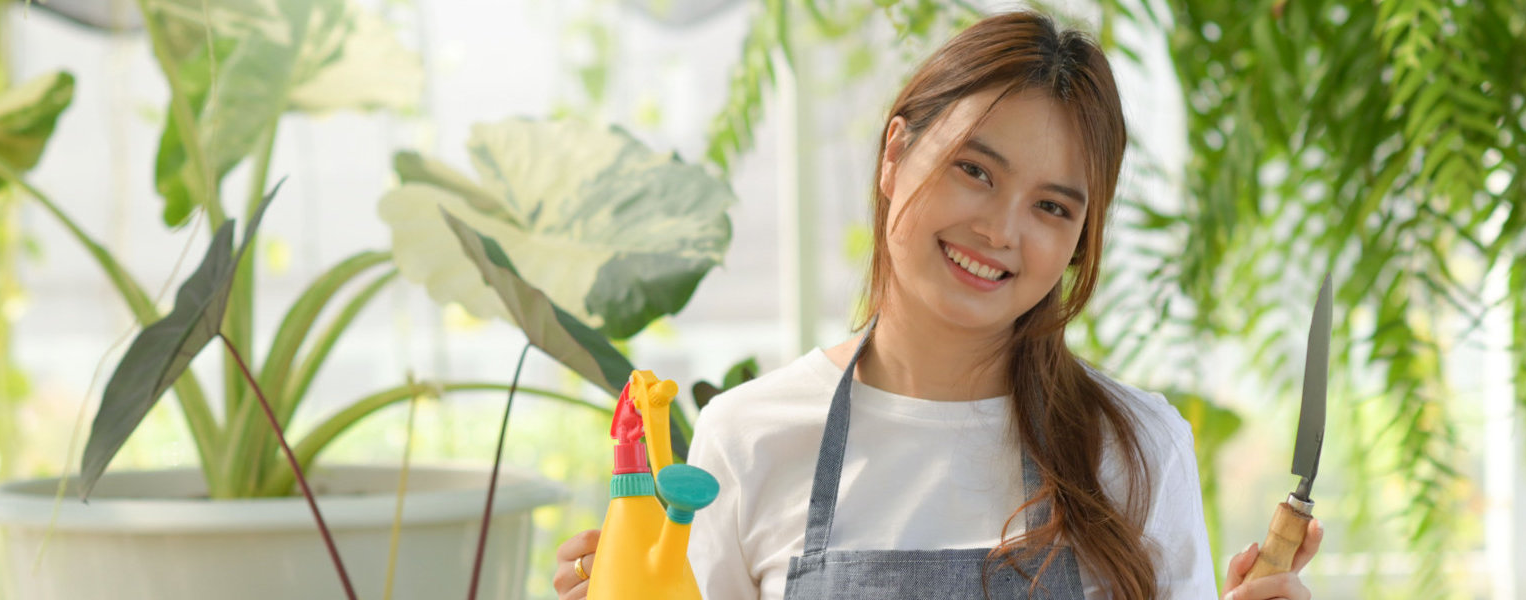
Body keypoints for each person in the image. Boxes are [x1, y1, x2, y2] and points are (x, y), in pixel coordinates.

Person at [553, 10, 1323, 600]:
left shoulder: (1138, 449)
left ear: (1081, 242)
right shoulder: (750, 437)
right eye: (975, 171)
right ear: (894, 154)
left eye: (1052, 208)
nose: (1000, 231)